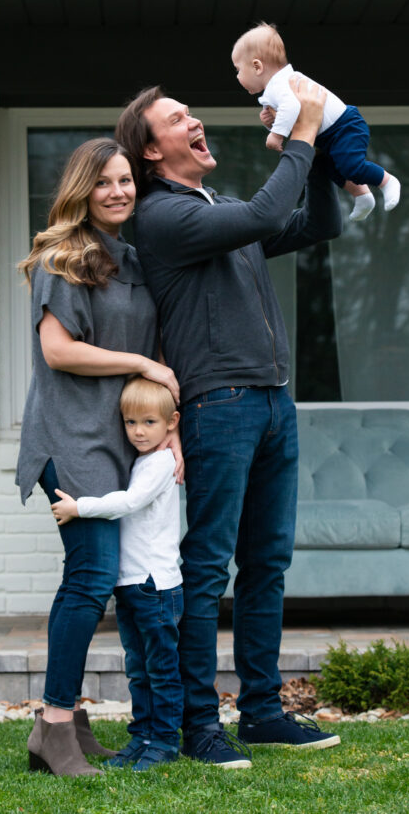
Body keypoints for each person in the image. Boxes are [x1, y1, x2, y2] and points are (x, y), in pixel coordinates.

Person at [115, 78, 343, 769]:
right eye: (178, 117)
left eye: (191, 111)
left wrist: (326, 154)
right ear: (153, 153)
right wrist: (303, 131)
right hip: (220, 406)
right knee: (207, 568)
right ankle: (196, 723)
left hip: (273, 401)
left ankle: (263, 713)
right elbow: (272, 205)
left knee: (267, 564)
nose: (196, 119)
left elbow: (315, 223)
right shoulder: (161, 215)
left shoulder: (215, 207)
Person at [15, 137, 180, 778]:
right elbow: (58, 351)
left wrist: (171, 428)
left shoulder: (133, 259)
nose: (118, 191)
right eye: (104, 182)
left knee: (93, 581)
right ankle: (55, 724)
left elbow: (161, 354)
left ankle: (66, 725)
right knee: (90, 579)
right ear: (82, 190)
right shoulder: (63, 257)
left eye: (126, 181)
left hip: (118, 441)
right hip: (70, 437)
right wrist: (142, 363)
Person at [50, 375, 184, 773]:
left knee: (160, 669)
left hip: (154, 585)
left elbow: (130, 502)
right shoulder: (142, 460)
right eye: (130, 423)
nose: (138, 432)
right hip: (131, 585)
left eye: (149, 422)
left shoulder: (161, 463)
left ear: (171, 422)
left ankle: (163, 742)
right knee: (138, 668)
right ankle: (141, 735)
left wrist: (80, 508)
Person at [232, 22, 401, 222]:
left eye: (238, 70)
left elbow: (292, 108)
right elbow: (292, 116)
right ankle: (362, 195)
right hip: (327, 134)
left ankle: (387, 181)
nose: (237, 76)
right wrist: (271, 122)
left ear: (257, 66)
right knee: (332, 168)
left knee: (351, 166)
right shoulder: (276, 87)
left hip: (344, 126)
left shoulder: (280, 84)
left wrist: (276, 134)